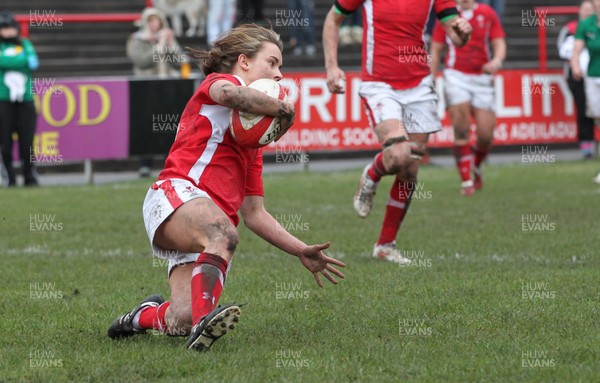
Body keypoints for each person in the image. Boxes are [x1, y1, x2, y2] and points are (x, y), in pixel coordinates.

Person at [108, 24, 345, 351]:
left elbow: (255, 214)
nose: (279, 74)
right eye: (272, 62)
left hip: (204, 226)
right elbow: (232, 96)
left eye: (280, 66)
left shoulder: (252, 146)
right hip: (175, 195)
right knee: (224, 234)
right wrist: (284, 109)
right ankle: (206, 325)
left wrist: (300, 249)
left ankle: (142, 316)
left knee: (181, 318)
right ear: (243, 61)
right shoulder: (222, 83)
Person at [323, 1, 472, 262]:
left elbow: (456, 37)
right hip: (380, 84)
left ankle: (385, 245)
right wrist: (332, 67)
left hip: (419, 84)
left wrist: (463, 31)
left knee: (410, 170)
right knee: (400, 154)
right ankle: (372, 173)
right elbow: (333, 19)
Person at [430, 0, 506, 196]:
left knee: (485, 135)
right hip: (456, 76)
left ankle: (477, 166)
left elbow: (498, 42)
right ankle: (466, 180)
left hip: (482, 77)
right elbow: (436, 48)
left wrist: (496, 61)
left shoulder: (487, 13)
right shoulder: (446, 15)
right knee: (461, 129)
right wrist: (430, 77)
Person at [0, 11, 39, 187]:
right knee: (5, 142)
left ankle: (29, 177)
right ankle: (9, 178)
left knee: (27, 141)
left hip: (25, 99)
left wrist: (7, 61)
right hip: (3, 99)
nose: (8, 32)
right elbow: (24, 62)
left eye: (10, 28)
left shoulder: (25, 44)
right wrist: (19, 60)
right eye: (4, 28)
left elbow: (33, 63)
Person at [558, 0, 595, 160]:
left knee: (596, 110)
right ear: (579, 10)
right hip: (577, 76)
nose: (587, 12)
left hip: (595, 75)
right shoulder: (571, 29)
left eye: (590, 9)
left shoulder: (596, 27)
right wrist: (576, 64)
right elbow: (562, 50)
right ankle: (586, 147)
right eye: (584, 9)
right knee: (583, 110)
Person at [571, 0, 600, 183]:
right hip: (593, 77)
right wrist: (575, 65)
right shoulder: (586, 24)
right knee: (598, 120)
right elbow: (577, 48)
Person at [126, 7, 185, 78]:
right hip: (146, 79)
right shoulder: (138, 39)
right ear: (145, 23)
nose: (154, 24)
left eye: (156, 21)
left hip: (168, 79)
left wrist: (171, 44)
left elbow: (181, 62)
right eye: (150, 21)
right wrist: (159, 47)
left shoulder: (166, 37)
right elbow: (141, 62)